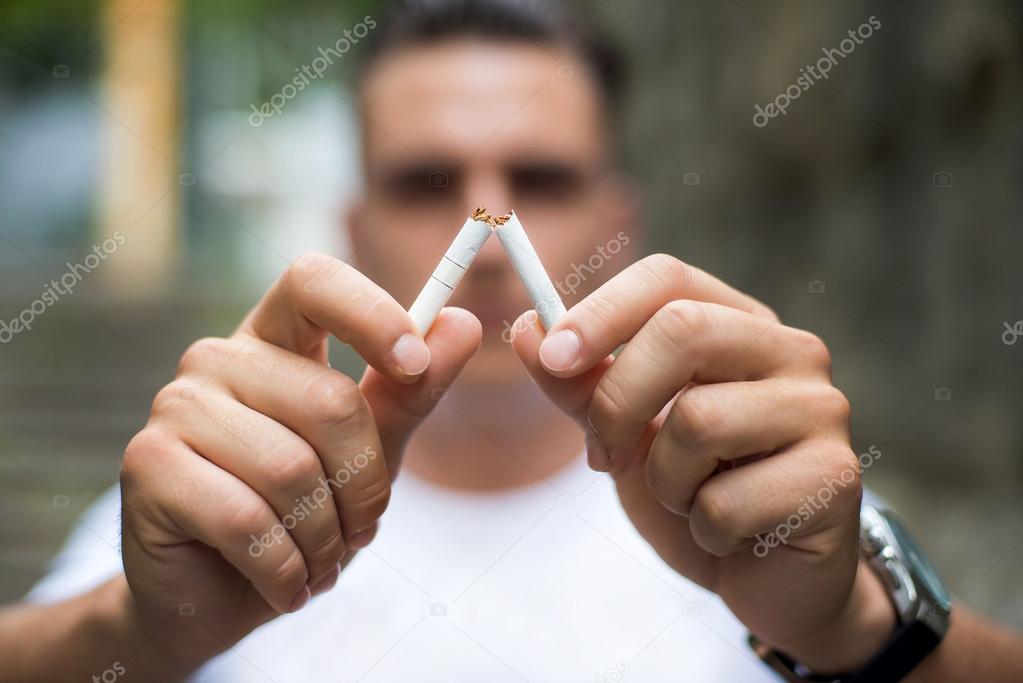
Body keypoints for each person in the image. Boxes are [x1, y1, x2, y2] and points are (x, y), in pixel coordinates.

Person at [2, 1, 1021, 681]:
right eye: (423, 181)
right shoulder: (231, 502)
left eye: (539, 178)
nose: (486, 234)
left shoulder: (755, 488)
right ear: (353, 226)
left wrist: (853, 629)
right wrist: (138, 633)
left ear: (618, 219)